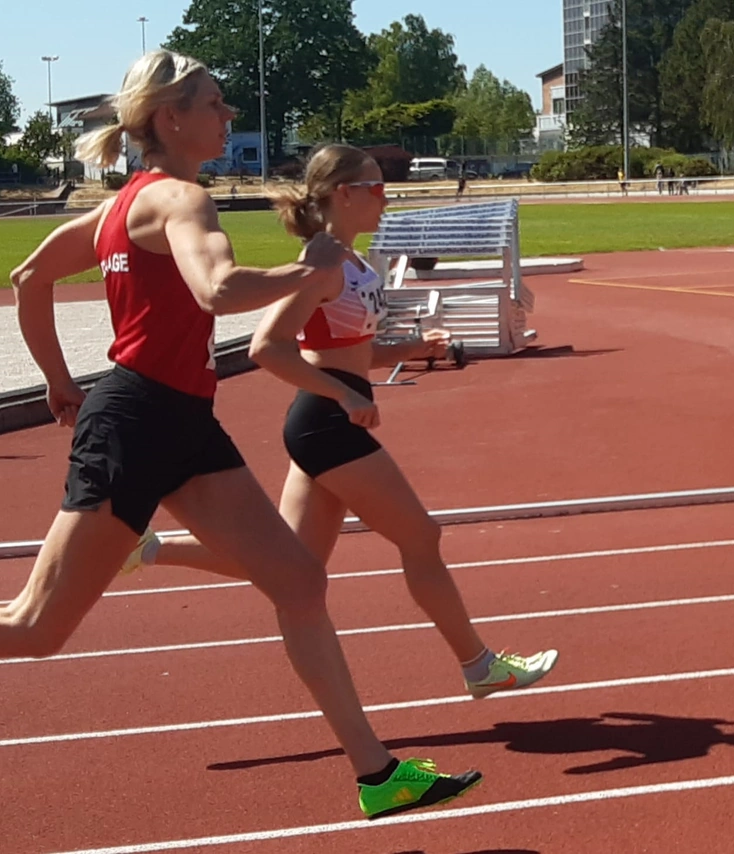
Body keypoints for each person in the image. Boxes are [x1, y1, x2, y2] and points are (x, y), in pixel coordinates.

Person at [0, 50, 481, 821]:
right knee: (34, 626)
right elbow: (219, 291)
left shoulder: (119, 207)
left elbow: (30, 279)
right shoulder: (181, 202)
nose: (230, 118)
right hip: (135, 424)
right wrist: (310, 271)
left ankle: (377, 774)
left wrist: (59, 381)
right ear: (172, 118)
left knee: (299, 581)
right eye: (217, 105)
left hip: (180, 421)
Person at [122, 143, 559, 702]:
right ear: (344, 194)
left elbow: (349, 350)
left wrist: (415, 348)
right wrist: (344, 398)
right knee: (422, 535)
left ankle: (149, 550)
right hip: (325, 421)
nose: (385, 197)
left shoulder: (351, 261)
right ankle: (479, 666)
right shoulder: (320, 265)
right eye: (376, 187)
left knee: (289, 563)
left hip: (329, 415)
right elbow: (268, 348)